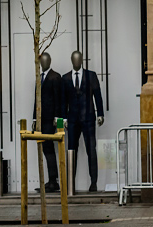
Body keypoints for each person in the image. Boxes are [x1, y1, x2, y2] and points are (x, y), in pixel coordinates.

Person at [63, 51, 104, 192]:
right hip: (72, 120)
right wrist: (63, 120)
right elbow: (63, 102)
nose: (76, 62)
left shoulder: (90, 75)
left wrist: (101, 113)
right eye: (74, 59)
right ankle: (70, 183)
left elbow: (97, 95)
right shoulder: (66, 78)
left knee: (91, 150)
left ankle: (93, 182)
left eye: (78, 59)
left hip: (88, 118)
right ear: (71, 60)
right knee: (71, 151)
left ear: (82, 60)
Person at [33, 52, 64, 193]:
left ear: (50, 61)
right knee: (46, 149)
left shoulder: (55, 77)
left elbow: (59, 100)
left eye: (46, 60)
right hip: (41, 119)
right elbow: (37, 99)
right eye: (42, 61)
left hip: (50, 120)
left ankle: (53, 181)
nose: (43, 63)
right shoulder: (39, 77)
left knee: (49, 149)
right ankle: (52, 180)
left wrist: (58, 122)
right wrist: (34, 119)